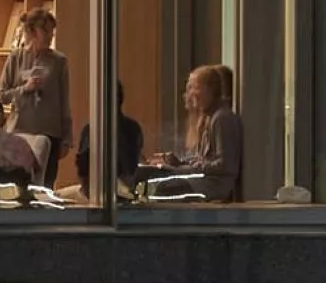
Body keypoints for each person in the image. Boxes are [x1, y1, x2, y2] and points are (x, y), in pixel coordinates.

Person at [0, 8, 71, 186]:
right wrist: (25, 88)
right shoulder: (15, 58)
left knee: (46, 186)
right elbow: (2, 95)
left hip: (50, 133)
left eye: (52, 31)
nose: (49, 36)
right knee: (19, 184)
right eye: (44, 30)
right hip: (20, 134)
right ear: (31, 31)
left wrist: (67, 138)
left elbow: (64, 102)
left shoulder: (59, 61)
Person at [163, 63, 243, 202]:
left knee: (166, 188)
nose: (190, 94)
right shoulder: (209, 119)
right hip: (204, 178)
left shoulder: (222, 119)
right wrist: (180, 164)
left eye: (195, 87)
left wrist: (195, 167)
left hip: (213, 184)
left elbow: (225, 165)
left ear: (210, 90)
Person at [75, 85, 145, 195]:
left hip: (112, 190)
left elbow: (82, 168)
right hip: (109, 189)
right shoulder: (133, 127)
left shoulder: (91, 129)